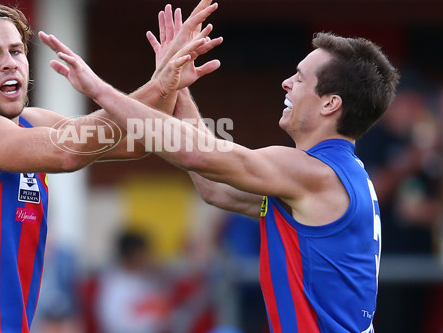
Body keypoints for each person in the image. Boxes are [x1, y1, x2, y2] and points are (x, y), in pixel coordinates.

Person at [41, 18, 400, 332]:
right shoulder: (331, 175)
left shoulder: (311, 171)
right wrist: (176, 83)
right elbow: (214, 187)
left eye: (300, 78)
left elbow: (194, 151)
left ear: (330, 103)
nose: (286, 84)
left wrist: (99, 89)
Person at [0, 0, 222, 332]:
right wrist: (159, 84)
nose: (10, 62)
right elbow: (69, 150)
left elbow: (136, 140)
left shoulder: (32, 121)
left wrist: (170, 79)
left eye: (16, 50)